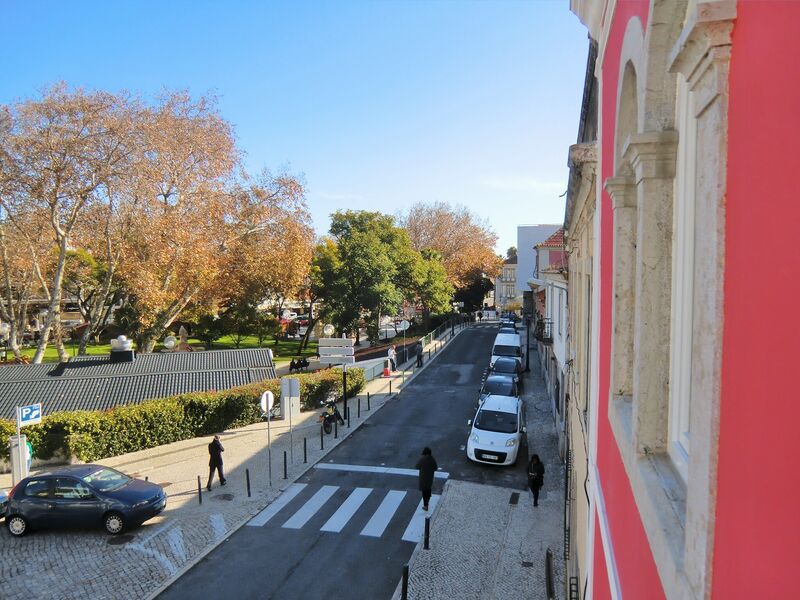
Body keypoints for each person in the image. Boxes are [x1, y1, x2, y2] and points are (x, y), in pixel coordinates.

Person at [415, 447, 438, 511]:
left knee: (424, 491)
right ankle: (429, 497)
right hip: (430, 477)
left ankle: (426, 506)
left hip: (423, 477)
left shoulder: (422, 459)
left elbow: (417, 466)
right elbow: (435, 468)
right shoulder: (432, 459)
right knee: (428, 487)